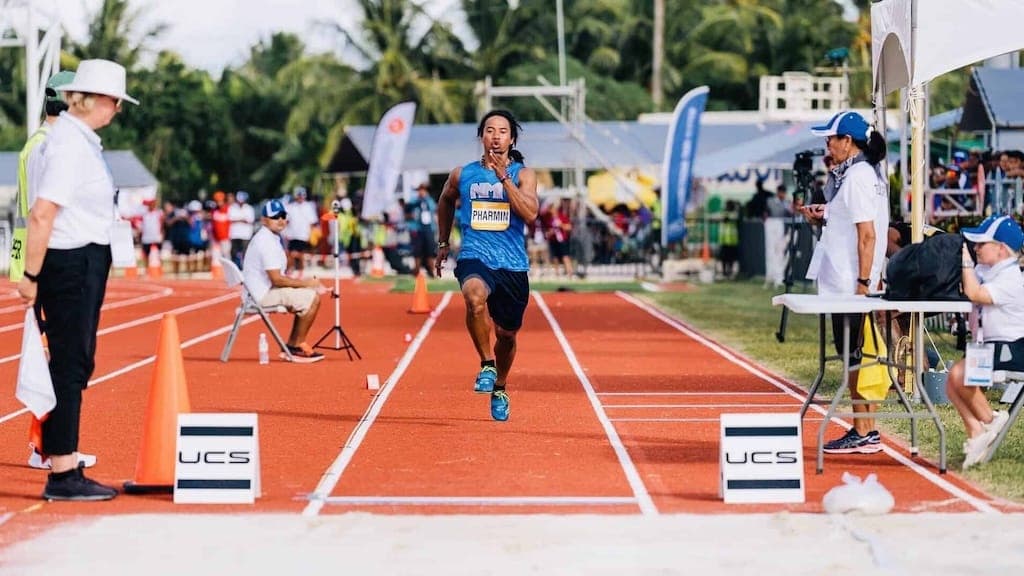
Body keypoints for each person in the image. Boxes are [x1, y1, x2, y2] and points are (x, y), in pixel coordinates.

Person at [16, 59, 139, 501]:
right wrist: (30, 275)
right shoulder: (68, 143)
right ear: (90, 99)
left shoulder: (80, 141)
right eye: (114, 101)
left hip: (81, 259)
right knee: (70, 366)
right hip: (70, 263)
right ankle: (63, 470)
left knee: (76, 362)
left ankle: (62, 460)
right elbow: (42, 212)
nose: (116, 110)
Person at [434, 109, 539, 421]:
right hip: (474, 255)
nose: (496, 136)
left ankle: (500, 385)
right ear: (481, 136)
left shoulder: (524, 174)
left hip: (512, 265)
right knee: (474, 297)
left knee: (507, 335)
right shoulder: (462, 174)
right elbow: (444, 200)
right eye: (490, 130)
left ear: (512, 139)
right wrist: (442, 242)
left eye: (503, 131)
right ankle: (486, 365)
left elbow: (530, 213)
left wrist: (503, 177)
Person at [798, 110, 889, 454]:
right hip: (846, 282)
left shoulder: (859, 177)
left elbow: (867, 235)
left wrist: (863, 286)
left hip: (851, 285)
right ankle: (863, 428)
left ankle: (864, 429)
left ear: (848, 142)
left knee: (854, 356)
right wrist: (823, 216)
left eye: (831, 139)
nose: (827, 145)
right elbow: (853, 227)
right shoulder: (863, 175)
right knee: (853, 354)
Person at [949, 215, 1024, 469]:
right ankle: (976, 432)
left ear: (1001, 249)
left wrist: (966, 264)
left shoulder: (1011, 277)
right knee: (952, 382)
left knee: (960, 374)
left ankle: (991, 419)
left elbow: (975, 293)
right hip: (993, 346)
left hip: (1012, 347)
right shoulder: (990, 270)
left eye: (982, 243)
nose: (976, 248)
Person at [242, 199, 325, 363]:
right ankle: (295, 346)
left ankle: (293, 346)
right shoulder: (266, 241)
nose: (280, 220)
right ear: (264, 220)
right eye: (275, 217)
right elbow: (277, 279)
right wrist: (306, 283)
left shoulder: (270, 237)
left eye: (283, 216)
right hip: (261, 295)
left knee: (306, 296)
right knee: (312, 297)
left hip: (260, 291)